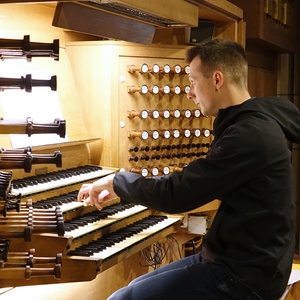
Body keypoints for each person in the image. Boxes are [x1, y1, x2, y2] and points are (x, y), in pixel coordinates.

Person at [77, 39, 300, 300]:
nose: (189, 93)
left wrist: (117, 182)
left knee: (122, 299)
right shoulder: (252, 121)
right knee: (132, 288)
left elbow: (178, 194)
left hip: (245, 276)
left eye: (193, 82)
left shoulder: (250, 134)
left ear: (217, 80)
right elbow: (190, 182)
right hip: (238, 260)